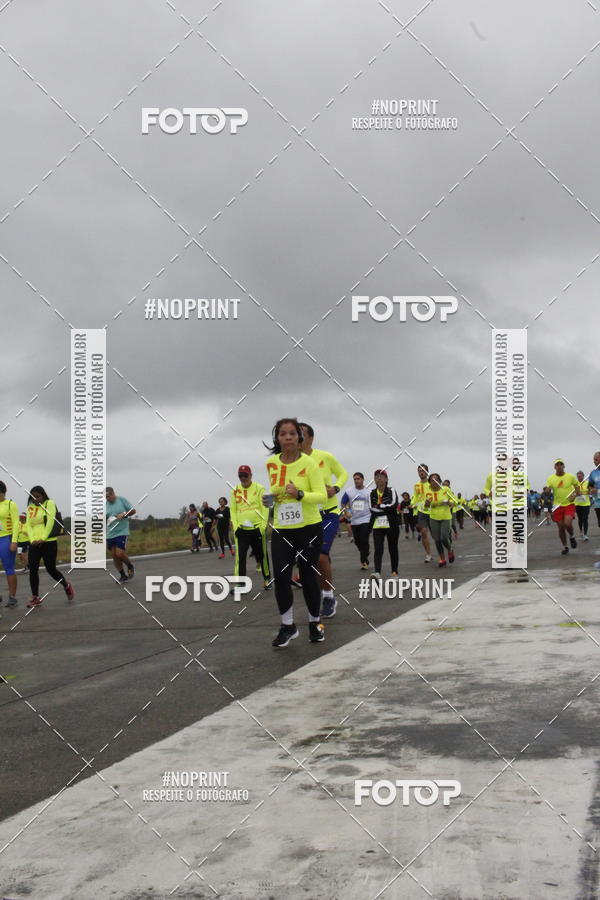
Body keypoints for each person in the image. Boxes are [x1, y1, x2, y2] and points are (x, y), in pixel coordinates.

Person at [264, 417, 327, 648]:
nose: (288, 437)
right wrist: (269, 500)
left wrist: (300, 494)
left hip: (309, 527)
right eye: (283, 434)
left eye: (292, 433)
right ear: (277, 438)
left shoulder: (309, 464)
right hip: (282, 528)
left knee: (308, 577)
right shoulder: (271, 464)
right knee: (281, 578)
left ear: (299, 438)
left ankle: (315, 624)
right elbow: (277, 494)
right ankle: (288, 626)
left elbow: (322, 495)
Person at [298, 423, 348, 619]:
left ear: (311, 438)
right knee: (314, 560)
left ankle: (328, 597)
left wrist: (335, 488)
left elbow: (343, 474)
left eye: (301, 434)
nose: (298, 438)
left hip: (328, 513)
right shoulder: (294, 462)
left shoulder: (324, 457)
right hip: (307, 516)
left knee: (320, 556)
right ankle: (324, 578)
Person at [25, 485, 75, 607]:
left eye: (38, 496)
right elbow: (28, 525)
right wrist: (32, 540)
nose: (35, 499)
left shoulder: (49, 503)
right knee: (33, 570)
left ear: (43, 495)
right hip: (34, 543)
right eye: (33, 497)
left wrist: (43, 538)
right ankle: (35, 597)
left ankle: (66, 585)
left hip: (49, 542)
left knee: (50, 569)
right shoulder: (30, 508)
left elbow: (51, 521)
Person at [230, 465, 270, 590]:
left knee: (262, 555)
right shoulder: (235, 490)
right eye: (240, 476)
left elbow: (265, 508)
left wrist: (263, 527)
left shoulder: (259, 488)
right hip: (242, 530)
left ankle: (267, 579)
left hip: (257, 528)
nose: (243, 478)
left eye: (245, 475)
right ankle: (240, 583)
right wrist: (236, 527)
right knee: (240, 557)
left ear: (251, 475)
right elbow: (233, 510)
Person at [368, 469, 399, 578]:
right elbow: (371, 509)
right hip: (378, 524)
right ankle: (377, 572)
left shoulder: (391, 490)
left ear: (386, 479)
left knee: (393, 548)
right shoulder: (371, 493)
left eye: (381, 476)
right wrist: (385, 508)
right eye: (376, 476)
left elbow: (394, 505)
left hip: (392, 523)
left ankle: (394, 573)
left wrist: (380, 506)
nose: (379, 478)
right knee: (378, 548)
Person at [546, 459, 580, 555]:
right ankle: (565, 546)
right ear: (554, 467)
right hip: (557, 505)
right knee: (561, 527)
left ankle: (572, 536)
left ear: (564, 466)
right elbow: (548, 488)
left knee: (567, 523)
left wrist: (574, 496)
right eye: (557, 465)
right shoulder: (551, 478)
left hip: (569, 504)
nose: (559, 466)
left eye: (561, 464)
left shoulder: (570, 477)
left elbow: (577, 488)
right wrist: (547, 490)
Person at [341, 472, 372, 569]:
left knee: (364, 539)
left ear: (363, 479)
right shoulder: (349, 491)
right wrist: (346, 513)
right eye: (354, 479)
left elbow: (373, 505)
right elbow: (343, 503)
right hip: (354, 519)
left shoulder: (369, 492)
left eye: (358, 478)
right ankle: (366, 551)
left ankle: (364, 561)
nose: (356, 480)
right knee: (357, 541)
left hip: (366, 518)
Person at [105, 487, 136, 582]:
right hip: (110, 533)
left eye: (108, 496)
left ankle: (130, 566)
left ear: (113, 493)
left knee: (120, 553)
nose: (107, 499)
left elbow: (133, 511)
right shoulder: (106, 505)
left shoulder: (122, 500)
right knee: (114, 555)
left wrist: (124, 514)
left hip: (122, 531)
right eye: (105, 497)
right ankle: (123, 575)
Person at [424, 474, 455, 568]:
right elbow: (425, 507)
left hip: (446, 517)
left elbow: (454, 502)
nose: (434, 482)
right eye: (432, 480)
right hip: (433, 517)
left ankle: (450, 550)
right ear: (430, 483)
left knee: (444, 537)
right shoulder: (427, 492)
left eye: (436, 480)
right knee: (437, 539)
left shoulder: (446, 490)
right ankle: (442, 559)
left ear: (440, 481)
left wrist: (449, 503)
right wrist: (427, 504)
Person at [0, 481, 20, 609]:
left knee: (9, 568)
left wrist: (14, 541)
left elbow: (16, 523)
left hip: (6, 539)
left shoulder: (10, 504)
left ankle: (12, 597)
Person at [411, 464, 432, 563]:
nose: (421, 472)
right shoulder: (416, 485)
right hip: (421, 512)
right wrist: (412, 504)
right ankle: (428, 554)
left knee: (437, 536)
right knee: (423, 531)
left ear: (427, 472)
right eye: (419, 471)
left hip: (433, 511)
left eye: (423, 470)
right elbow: (415, 497)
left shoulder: (432, 483)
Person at [574, 470, 591, 541]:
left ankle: (585, 534)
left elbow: (591, 491)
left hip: (586, 504)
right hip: (578, 504)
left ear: (583, 476)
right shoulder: (575, 484)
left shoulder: (587, 483)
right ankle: (581, 530)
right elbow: (573, 493)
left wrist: (583, 492)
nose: (579, 478)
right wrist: (577, 493)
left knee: (585, 518)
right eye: (578, 477)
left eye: (580, 476)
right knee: (580, 519)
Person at [588, 451, 600, 529]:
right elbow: (590, 485)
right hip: (598, 502)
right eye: (594, 460)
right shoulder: (593, 473)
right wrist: (592, 489)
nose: (594, 462)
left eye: (596, 460)